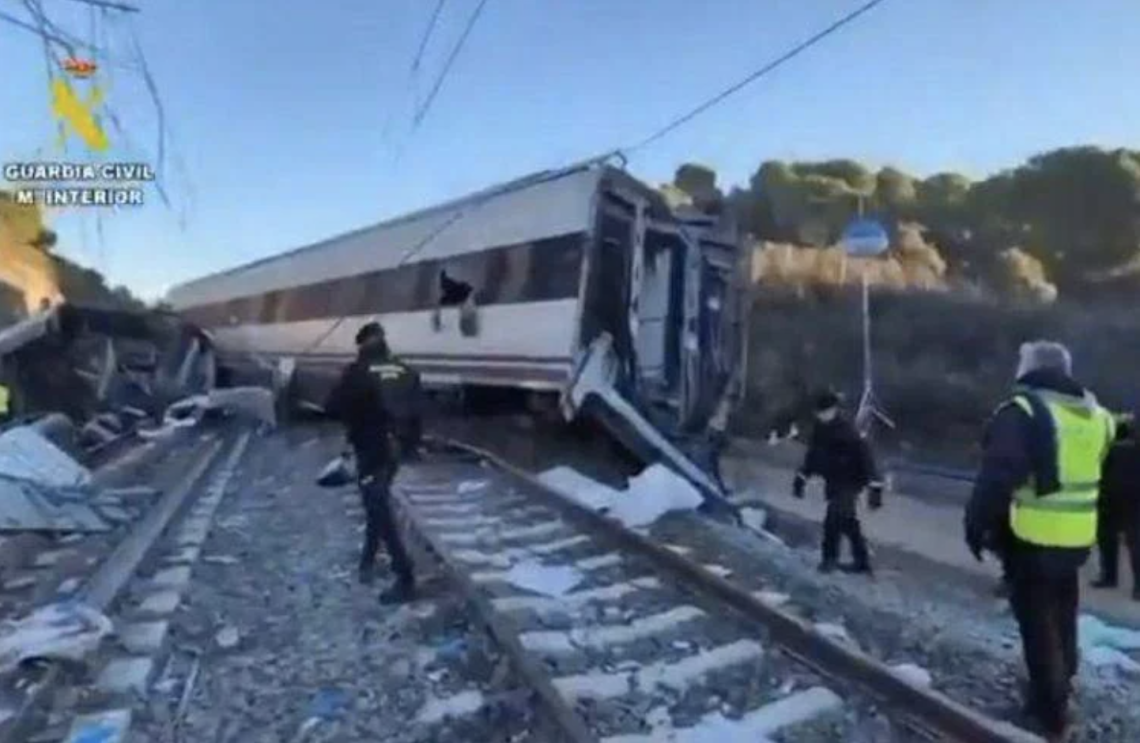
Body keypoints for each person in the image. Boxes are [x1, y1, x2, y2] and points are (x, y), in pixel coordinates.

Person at [964, 341, 1116, 740]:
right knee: (1063, 615)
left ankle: (1049, 714)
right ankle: (1058, 689)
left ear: (1028, 368)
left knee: (1037, 624)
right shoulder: (1095, 415)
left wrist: (976, 526)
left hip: (1032, 537)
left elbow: (999, 475)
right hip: (1078, 536)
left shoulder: (1024, 411)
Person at [324, 321, 418, 604]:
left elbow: (332, 407)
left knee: (378, 508)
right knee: (375, 504)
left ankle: (405, 577)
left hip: (371, 450)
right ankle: (367, 560)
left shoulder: (357, 373)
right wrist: (410, 443)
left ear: (362, 345)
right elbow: (419, 411)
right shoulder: (405, 369)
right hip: (397, 451)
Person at [793, 389, 884, 574]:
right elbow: (813, 456)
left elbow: (866, 459)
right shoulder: (820, 430)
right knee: (848, 522)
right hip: (834, 480)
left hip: (851, 481)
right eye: (818, 412)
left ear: (833, 410)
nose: (820, 416)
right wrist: (801, 478)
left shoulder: (848, 431)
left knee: (833, 518)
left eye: (824, 412)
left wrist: (875, 490)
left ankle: (829, 560)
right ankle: (862, 562)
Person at [1092, 413, 1140, 600]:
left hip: (1108, 498)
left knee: (1107, 540)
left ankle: (1109, 577)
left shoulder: (1106, 449)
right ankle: (1138, 587)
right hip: (1134, 500)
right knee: (1135, 543)